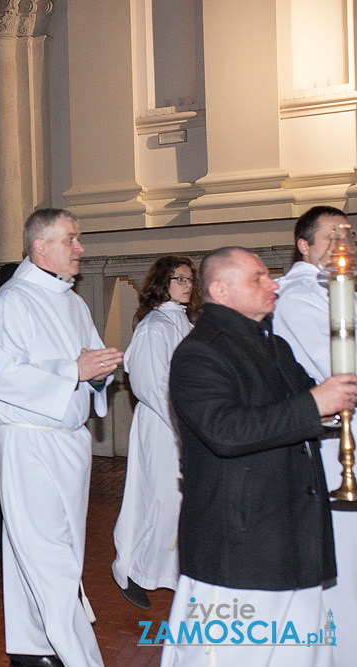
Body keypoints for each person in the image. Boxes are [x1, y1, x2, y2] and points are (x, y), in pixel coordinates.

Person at [162, 246, 355, 667]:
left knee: (302, 656)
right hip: (239, 544)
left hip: (290, 535)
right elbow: (226, 432)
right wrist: (315, 403)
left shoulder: (275, 345)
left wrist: (335, 404)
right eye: (258, 278)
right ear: (220, 290)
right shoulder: (199, 352)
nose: (274, 285)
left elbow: (300, 413)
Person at [0, 208, 123, 667]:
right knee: (52, 559)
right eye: (71, 240)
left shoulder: (73, 302)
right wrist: (73, 370)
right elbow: (2, 378)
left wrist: (99, 373)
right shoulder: (12, 302)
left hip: (69, 441)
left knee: (48, 552)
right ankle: (80, 656)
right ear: (40, 247)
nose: (80, 248)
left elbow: (88, 367)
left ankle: (29, 646)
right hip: (29, 442)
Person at [272, 205, 357, 647]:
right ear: (303, 246)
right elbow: (335, 369)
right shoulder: (299, 296)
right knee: (341, 549)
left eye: (348, 235)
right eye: (331, 236)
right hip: (328, 437)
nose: (343, 245)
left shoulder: (340, 289)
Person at [111, 255, 201, 611]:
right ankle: (132, 570)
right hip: (163, 425)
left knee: (179, 502)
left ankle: (175, 573)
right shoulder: (154, 327)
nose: (187, 285)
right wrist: (183, 429)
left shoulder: (184, 322)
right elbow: (151, 384)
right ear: (162, 283)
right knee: (156, 499)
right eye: (179, 279)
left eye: (190, 279)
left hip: (182, 423)